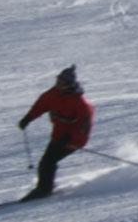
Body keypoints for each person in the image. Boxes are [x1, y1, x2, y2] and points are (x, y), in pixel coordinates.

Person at [16, 65, 94, 202]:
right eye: (57, 81)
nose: (58, 85)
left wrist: (72, 141)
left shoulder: (80, 104)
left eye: (61, 83)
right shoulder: (53, 94)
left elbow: (84, 127)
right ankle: (46, 186)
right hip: (58, 135)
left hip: (72, 140)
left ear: (69, 85)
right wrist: (28, 118)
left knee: (48, 161)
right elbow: (40, 105)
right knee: (46, 161)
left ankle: (44, 189)